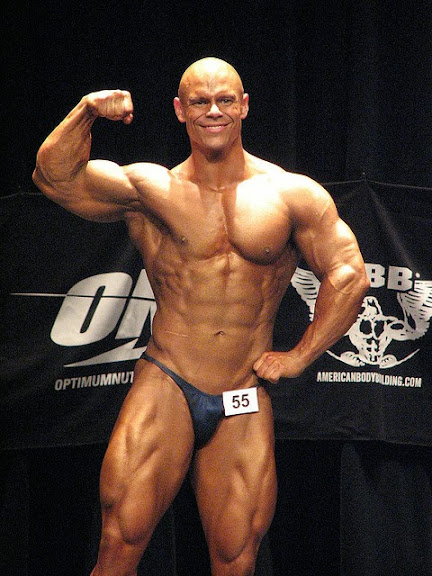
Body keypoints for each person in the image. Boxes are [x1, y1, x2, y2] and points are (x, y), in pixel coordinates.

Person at [32, 57, 370, 576]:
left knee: (236, 558)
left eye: (225, 100)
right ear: (179, 110)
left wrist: (300, 356)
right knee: (119, 542)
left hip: (242, 389)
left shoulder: (290, 194)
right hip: (167, 378)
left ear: (245, 105)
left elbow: (349, 275)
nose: (214, 111)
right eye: (200, 101)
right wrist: (86, 112)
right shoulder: (149, 191)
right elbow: (54, 177)